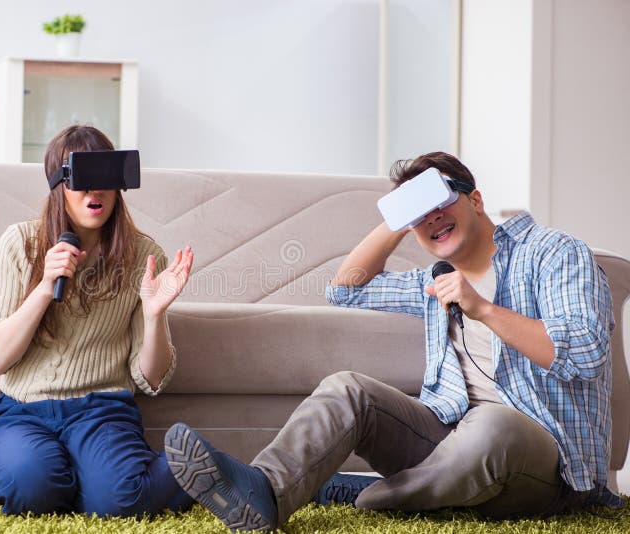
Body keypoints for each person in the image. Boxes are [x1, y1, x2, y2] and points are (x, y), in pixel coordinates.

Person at [163, 152, 622, 531]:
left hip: (546, 464)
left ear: (476, 200)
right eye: (418, 213)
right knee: (348, 388)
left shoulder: (553, 254)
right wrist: (398, 216)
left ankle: (360, 493)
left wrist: (482, 308)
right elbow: (344, 290)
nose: (432, 217)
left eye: (440, 199)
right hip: (450, 439)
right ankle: (265, 489)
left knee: (492, 427)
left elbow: (584, 351)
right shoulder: (436, 279)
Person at [0, 125, 195, 517]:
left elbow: (152, 378)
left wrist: (154, 314)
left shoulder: (144, 256)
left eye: (105, 179)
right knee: (33, 492)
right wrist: (44, 287)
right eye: (83, 180)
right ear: (59, 184)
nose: (95, 192)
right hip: (22, 411)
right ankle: (90, 478)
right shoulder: (20, 244)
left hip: (102, 410)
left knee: (119, 502)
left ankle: (194, 469)